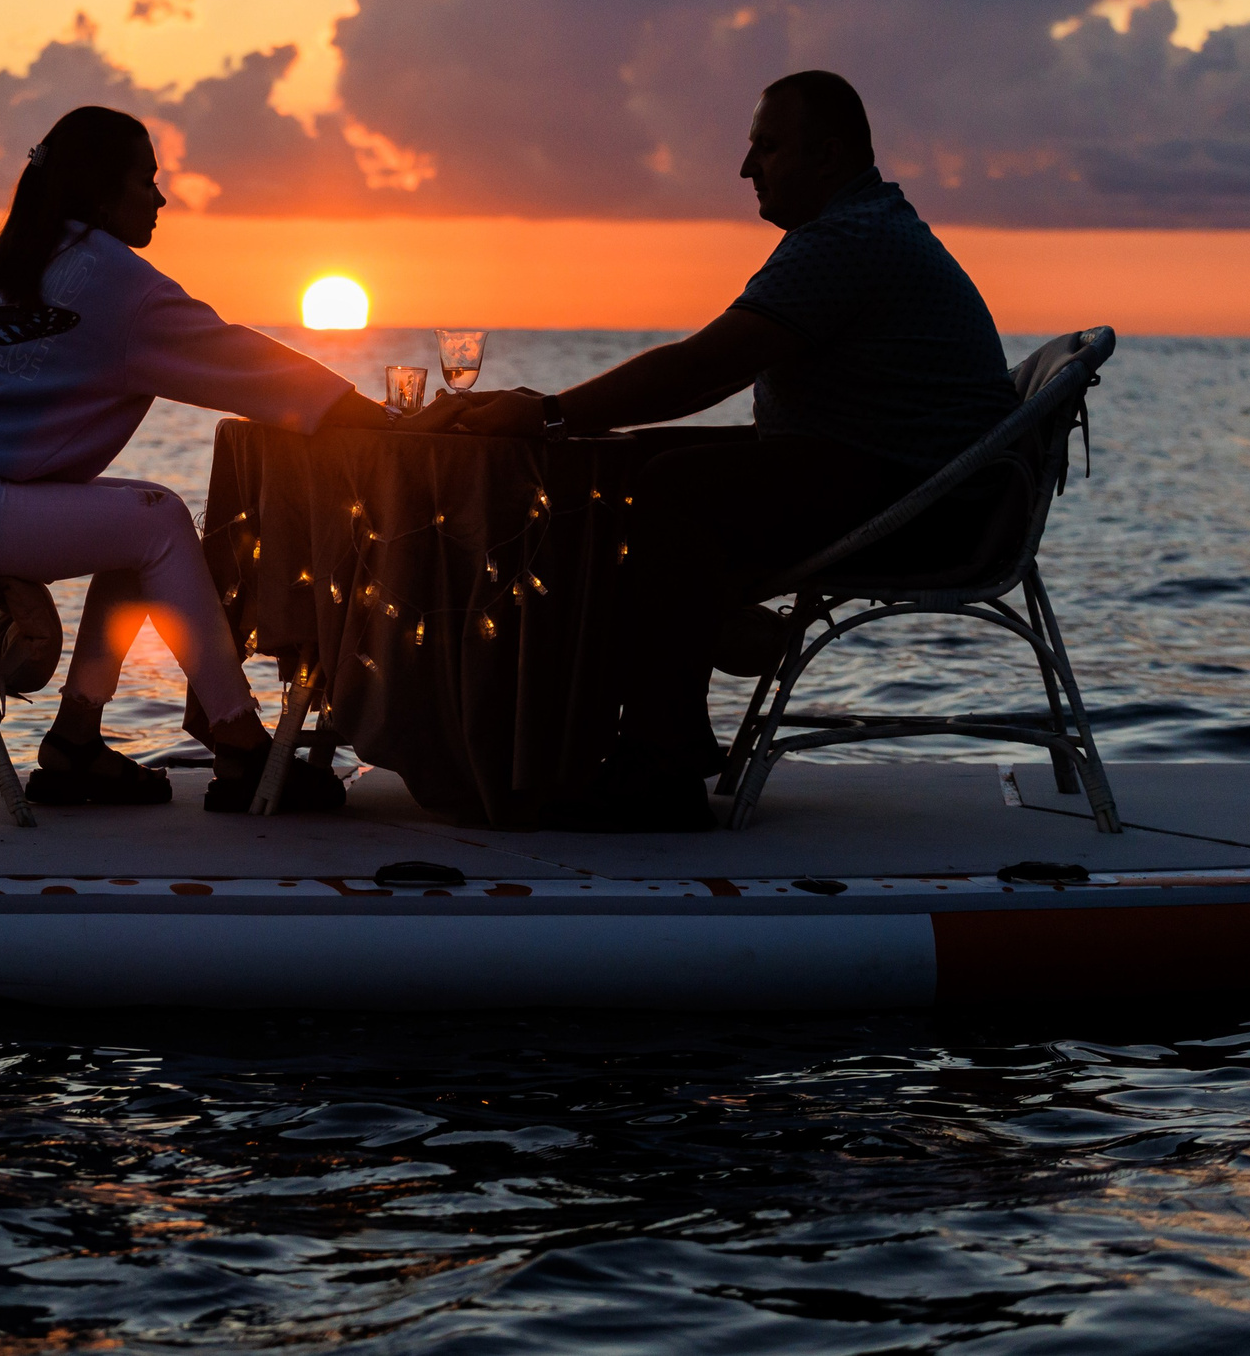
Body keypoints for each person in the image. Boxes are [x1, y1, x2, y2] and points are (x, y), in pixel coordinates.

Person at [409, 71, 1017, 831]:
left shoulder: (847, 241)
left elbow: (705, 368)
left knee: (672, 489)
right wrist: (562, 424)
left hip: (931, 507)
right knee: (617, 466)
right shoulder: (853, 227)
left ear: (827, 156)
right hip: (893, 476)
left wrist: (550, 414)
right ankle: (582, 727)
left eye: (766, 146)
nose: (745, 167)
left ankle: (662, 764)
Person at [0, 104, 393, 812]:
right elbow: (240, 359)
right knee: (159, 518)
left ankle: (76, 741)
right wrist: (375, 418)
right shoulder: (113, 281)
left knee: (134, 519)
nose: (162, 198)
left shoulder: (9, 268)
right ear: (101, 192)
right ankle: (241, 746)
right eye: (147, 181)